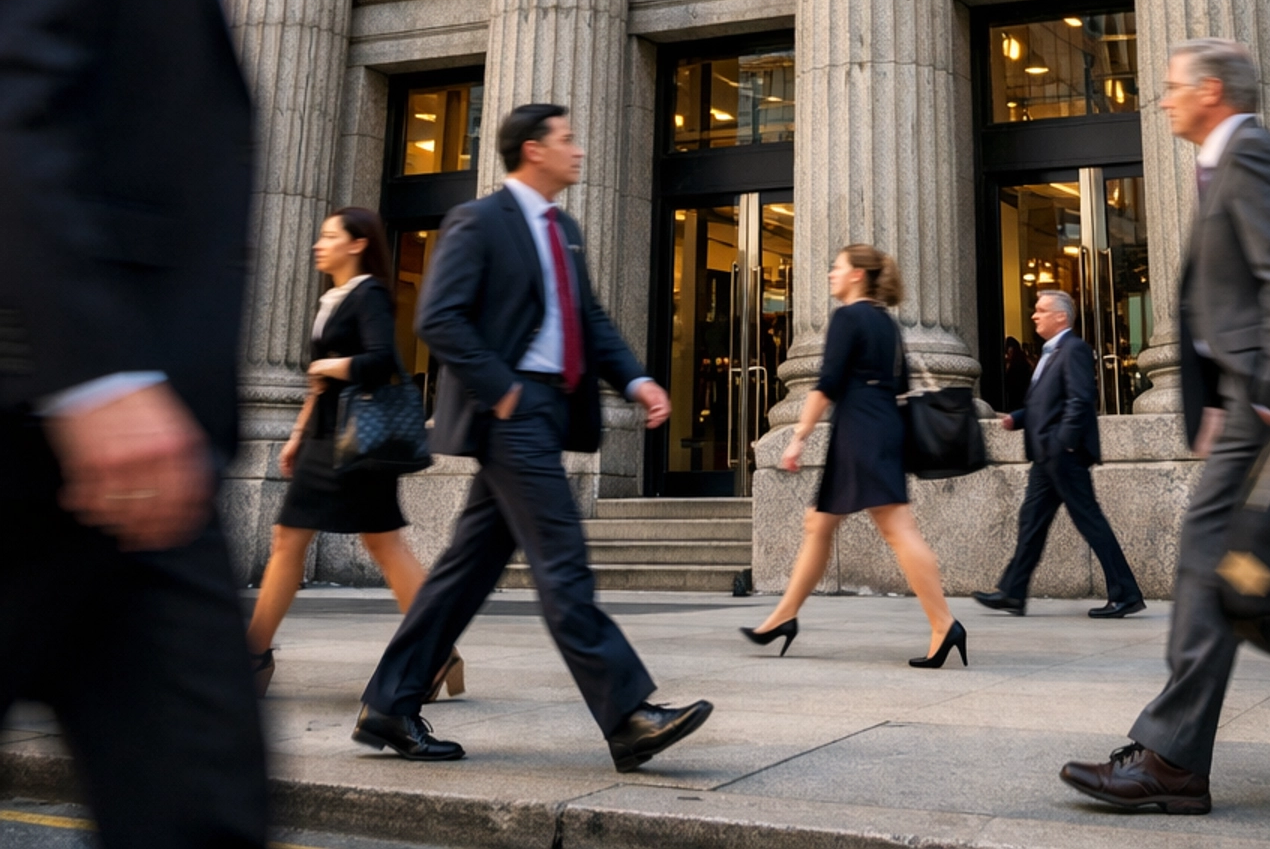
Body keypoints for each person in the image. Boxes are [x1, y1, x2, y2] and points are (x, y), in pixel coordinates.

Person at [0, 0, 269, 849]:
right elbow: (10, 95)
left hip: (140, 467)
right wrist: (101, 380)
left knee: (205, 804)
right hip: (50, 429)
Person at [355, 103, 712, 771]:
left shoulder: (564, 230)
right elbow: (439, 317)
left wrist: (636, 380)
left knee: (466, 572)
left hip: (549, 408)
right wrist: (506, 390)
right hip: (511, 412)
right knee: (561, 560)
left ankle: (389, 704)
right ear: (531, 150)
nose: (578, 150)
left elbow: (591, 321)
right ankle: (628, 716)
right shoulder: (479, 221)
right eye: (567, 139)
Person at [1061, 40, 1270, 816]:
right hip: (1244, 402)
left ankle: (1171, 757)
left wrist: (1266, 400)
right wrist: (1208, 398)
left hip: (1269, 403)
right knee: (1223, 566)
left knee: (1213, 563)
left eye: (1171, 87)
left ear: (1211, 90)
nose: (1161, 99)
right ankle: (1171, 753)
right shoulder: (1222, 161)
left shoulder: (1253, 156)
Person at [247, 207, 462, 700]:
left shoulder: (368, 295)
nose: (319, 244)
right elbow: (317, 382)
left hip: (356, 442)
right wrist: (298, 433)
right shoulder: (331, 298)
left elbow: (381, 359)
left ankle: (253, 656)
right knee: (312, 540)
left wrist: (331, 362)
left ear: (358, 244)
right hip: (325, 437)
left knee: (371, 545)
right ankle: (437, 651)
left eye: (329, 236)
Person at [741, 244, 966, 669]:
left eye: (837, 268)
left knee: (898, 529)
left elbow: (826, 383)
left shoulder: (848, 317)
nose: (831, 274)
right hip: (877, 427)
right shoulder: (885, 323)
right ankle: (783, 617)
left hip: (860, 430)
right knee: (819, 523)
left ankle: (944, 624)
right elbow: (894, 381)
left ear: (857, 275)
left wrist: (798, 436)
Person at [973, 289, 1144, 620]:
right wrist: (1017, 418)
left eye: (1041, 310)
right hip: (1046, 456)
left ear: (1061, 317)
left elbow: (1080, 400)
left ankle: (1126, 594)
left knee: (1090, 522)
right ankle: (1013, 592)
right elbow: (1046, 403)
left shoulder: (1074, 350)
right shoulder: (1051, 353)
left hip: (1062, 455)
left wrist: (1062, 443)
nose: (1034, 315)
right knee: (1032, 523)